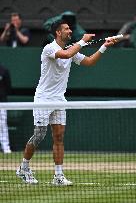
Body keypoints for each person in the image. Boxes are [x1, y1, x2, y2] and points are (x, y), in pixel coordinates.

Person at [16, 20, 117, 185]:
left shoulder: (72, 50)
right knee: (40, 135)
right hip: (43, 99)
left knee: (59, 137)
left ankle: (58, 176)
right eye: (66, 29)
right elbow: (66, 55)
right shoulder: (49, 48)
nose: (70, 31)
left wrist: (104, 46)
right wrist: (83, 41)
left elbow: (90, 61)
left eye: (70, 28)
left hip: (59, 99)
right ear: (58, 32)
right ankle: (23, 168)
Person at [0, 64, 11, 153]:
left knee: (3, 124)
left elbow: (8, 87)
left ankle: (6, 147)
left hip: (2, 102)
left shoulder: (4, 70)